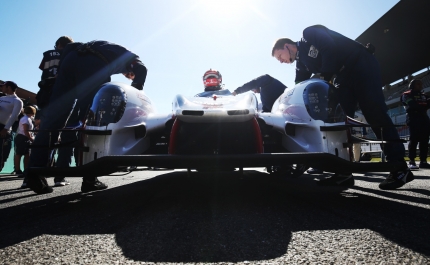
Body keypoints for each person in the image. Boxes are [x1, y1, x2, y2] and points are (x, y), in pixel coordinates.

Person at [272, 24, 411, 190]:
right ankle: (343, 171)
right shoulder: (301, 65)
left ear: (287, 46)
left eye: (280, 56)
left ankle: (399, 168)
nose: (281, 61)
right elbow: (297, 85)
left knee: (374, 112)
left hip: (360, 64)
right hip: (342, 78)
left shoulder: (308, 34)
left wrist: (326, 77)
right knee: (337, 122)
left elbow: (328, 47)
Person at [24, 40, 148, 195]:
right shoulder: (130, 57)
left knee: (54, 120)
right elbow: (142, 68)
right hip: (93, 65)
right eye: (129, 75)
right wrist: (136, 87)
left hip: (69, 60)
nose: (128, 76)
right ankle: (90, 179)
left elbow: (72, 49)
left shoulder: (105, 46)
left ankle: (34, 173)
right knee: (91, 120)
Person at [36, 36, 74, 113]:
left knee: (43, 116)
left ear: (59, 44)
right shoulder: (72, 56)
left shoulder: (48, 54)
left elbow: (42, 68)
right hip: (63, 92)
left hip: (46, 89)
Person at [401, 79, 430, 170]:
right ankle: (412, 161)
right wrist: (423, 106)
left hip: (424, 118)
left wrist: (421, 106)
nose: (420, 86)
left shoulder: (424, 95)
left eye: (421, 84)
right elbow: (412, 105)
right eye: (418, 84)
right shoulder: (406, 94)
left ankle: (423, 161)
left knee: (425, 140)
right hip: (413, 118)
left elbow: (428, 104)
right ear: (412, 85)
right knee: (414, 139)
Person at [0, 81, 24, 172]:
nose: (1, 88)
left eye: (3, 86)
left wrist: (5, 129)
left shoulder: (17, 101)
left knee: (2, 152)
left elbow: (14, 116)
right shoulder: (1, 97)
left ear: (9, 87)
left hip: (3, 128)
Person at [14, 106, 36, 178]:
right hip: (22, 137)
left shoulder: (28, 119)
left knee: (27, 154)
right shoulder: (25, 119)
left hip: (25, 138)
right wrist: (31, 139)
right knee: (19, 154)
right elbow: (26, 131)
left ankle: (26, 170)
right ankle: (18, 170)